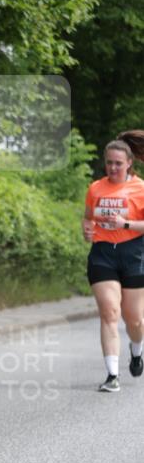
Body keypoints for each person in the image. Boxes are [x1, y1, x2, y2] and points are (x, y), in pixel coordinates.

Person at [82, 131, 144, 392]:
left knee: (135, 320)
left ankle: (137, 350)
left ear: (129, 163)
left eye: (118, 163)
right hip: (103, 254)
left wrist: (125, 223)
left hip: (134, 254)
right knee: (109, 312)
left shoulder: (141, 189)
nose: (113, 168)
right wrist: (87, 230)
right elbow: (88, 217)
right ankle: (112, 375)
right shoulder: (96, 188)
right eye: (109, 162)